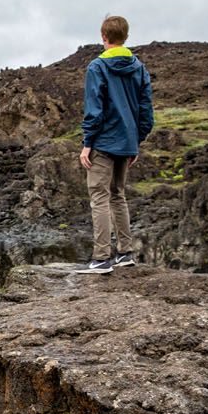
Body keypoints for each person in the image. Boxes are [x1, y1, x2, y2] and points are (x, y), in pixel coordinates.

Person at [75, 14, 153, 274]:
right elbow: (146, 109)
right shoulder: (139, 67)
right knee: (118, 196)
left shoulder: (97, 67)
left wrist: (88, 143)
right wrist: (136, 140)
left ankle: (101, 258)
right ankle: (125, 253)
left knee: (99, 197)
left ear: (103, 37)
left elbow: (94, 109)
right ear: (126, 37)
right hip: (126, 142)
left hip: (104, 142)